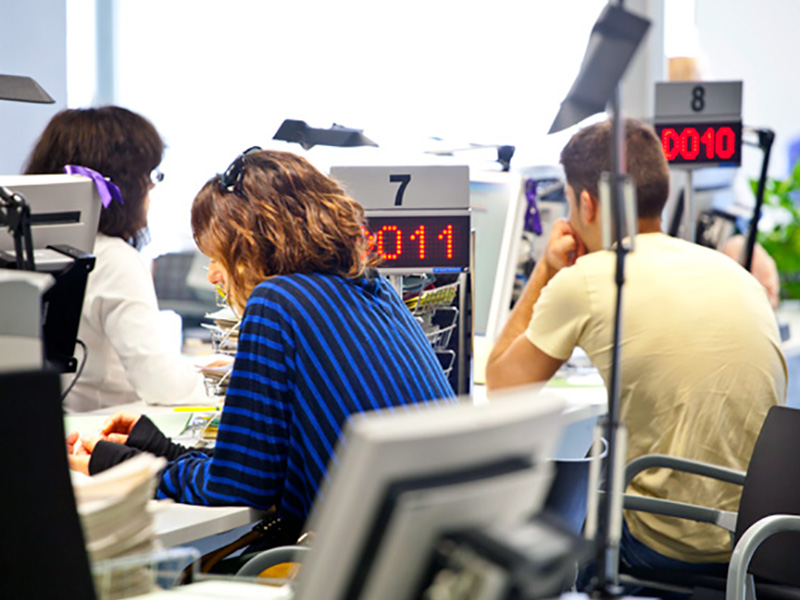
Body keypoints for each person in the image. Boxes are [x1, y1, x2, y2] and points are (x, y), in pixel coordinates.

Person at [68, 148, 455, 534]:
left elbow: (241, 487)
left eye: (217, 258)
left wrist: (120, 467)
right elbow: (248, 467)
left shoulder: (277, 302)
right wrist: (159, 449)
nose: (213, 277)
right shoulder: (373, 289)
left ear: (252, 244)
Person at [485, 119, 787, 575]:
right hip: (764, 538)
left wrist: (547, 271)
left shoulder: (590, 278)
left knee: (569, 508)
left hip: (671, 542)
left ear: (586, 204)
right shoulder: (732, 273)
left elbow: (502, 386)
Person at [24, 106, 210, 411]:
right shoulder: (113, 259)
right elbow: (161, 384)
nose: (151, 186)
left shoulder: (29, 248)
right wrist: (225, 387)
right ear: (125, 183)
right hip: (103, 432)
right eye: (149, 175)